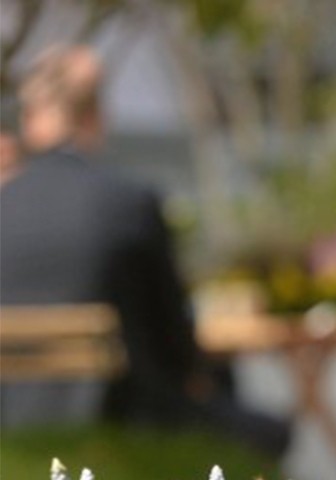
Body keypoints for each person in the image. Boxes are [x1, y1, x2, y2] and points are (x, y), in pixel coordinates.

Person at [0, 46, 289, 457]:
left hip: (11, 420)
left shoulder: (5, 202)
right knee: (266, 428)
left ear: (29, 120)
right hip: (122, 413)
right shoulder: (127, 202)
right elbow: (173, 336)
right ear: (95, 116)